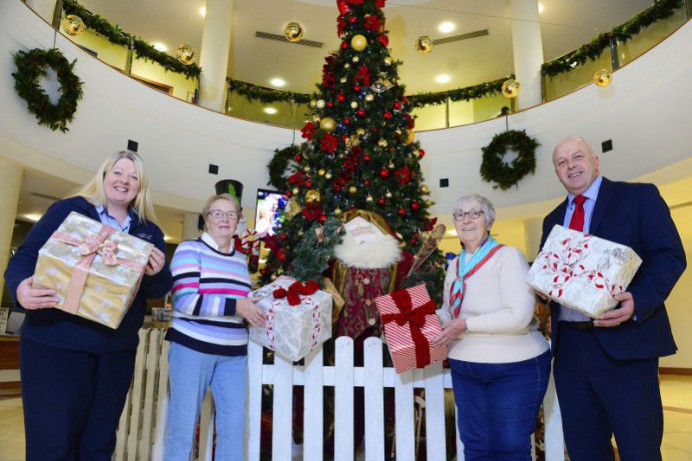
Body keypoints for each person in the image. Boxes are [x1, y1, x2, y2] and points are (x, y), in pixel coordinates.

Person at [4, 150, 172, 461]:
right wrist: (20, 289)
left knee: (98, 443)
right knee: (51, 441)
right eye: (118, 172)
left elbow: (158, 289)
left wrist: (157, 273)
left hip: (114, 353)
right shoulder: (69, 212)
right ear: (104, 176)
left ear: (141, 186)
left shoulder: (149, 231)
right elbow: (27, 257)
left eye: (133, 176)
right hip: (54, 344)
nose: (124, 180)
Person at [542, 136, 686, 461]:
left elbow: (669, 256)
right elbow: (549, 276)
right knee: (584, 451)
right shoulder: (551, 220)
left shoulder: (638, 197)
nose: (570, 166)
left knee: (639, 450)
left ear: (596, 161)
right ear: (557, 173)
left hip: (627, 347)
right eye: (562, 163)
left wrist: (638, 299)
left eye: (577, 157)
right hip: (570, 355)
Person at [432, 194, 550, 461]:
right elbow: (450, 311)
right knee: (475, 447)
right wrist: (425, 318)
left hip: (514, 367)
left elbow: (518, 315)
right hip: (465, 367)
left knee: (510, 448)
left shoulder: (508, 257)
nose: (466, 220)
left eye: (475, 213)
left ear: (489, 220)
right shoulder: (454, 265)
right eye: (460, 215)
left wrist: (465, 325)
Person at [164, 193, 266, 461]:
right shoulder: (189, 249)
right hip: (191, 349)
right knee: (182, 428)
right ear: (206, 220)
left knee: (233, 430)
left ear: (237, 223)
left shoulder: (240, 260)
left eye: (231, 214)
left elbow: (240, 303)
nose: (224, 219)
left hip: (233, 355)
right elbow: (184, 301)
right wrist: (237, 307)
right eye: (217, 213)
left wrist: (256, 306)